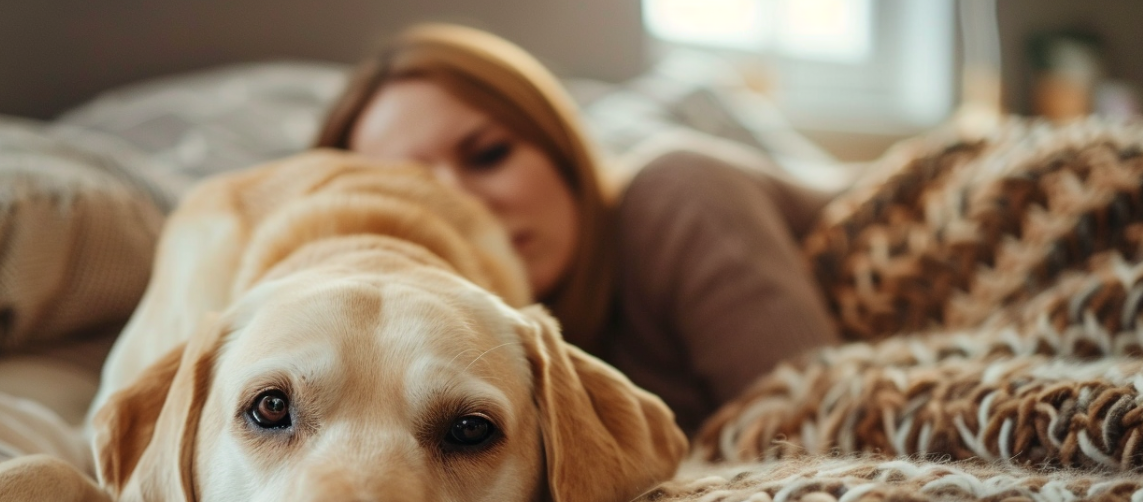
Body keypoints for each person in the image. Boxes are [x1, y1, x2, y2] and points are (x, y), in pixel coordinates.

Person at [316, 24, 839, 435]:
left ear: (560, 148)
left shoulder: (678, 195)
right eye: (413, 190)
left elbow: (835, 437)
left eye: (490, 154)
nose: (465, 206)